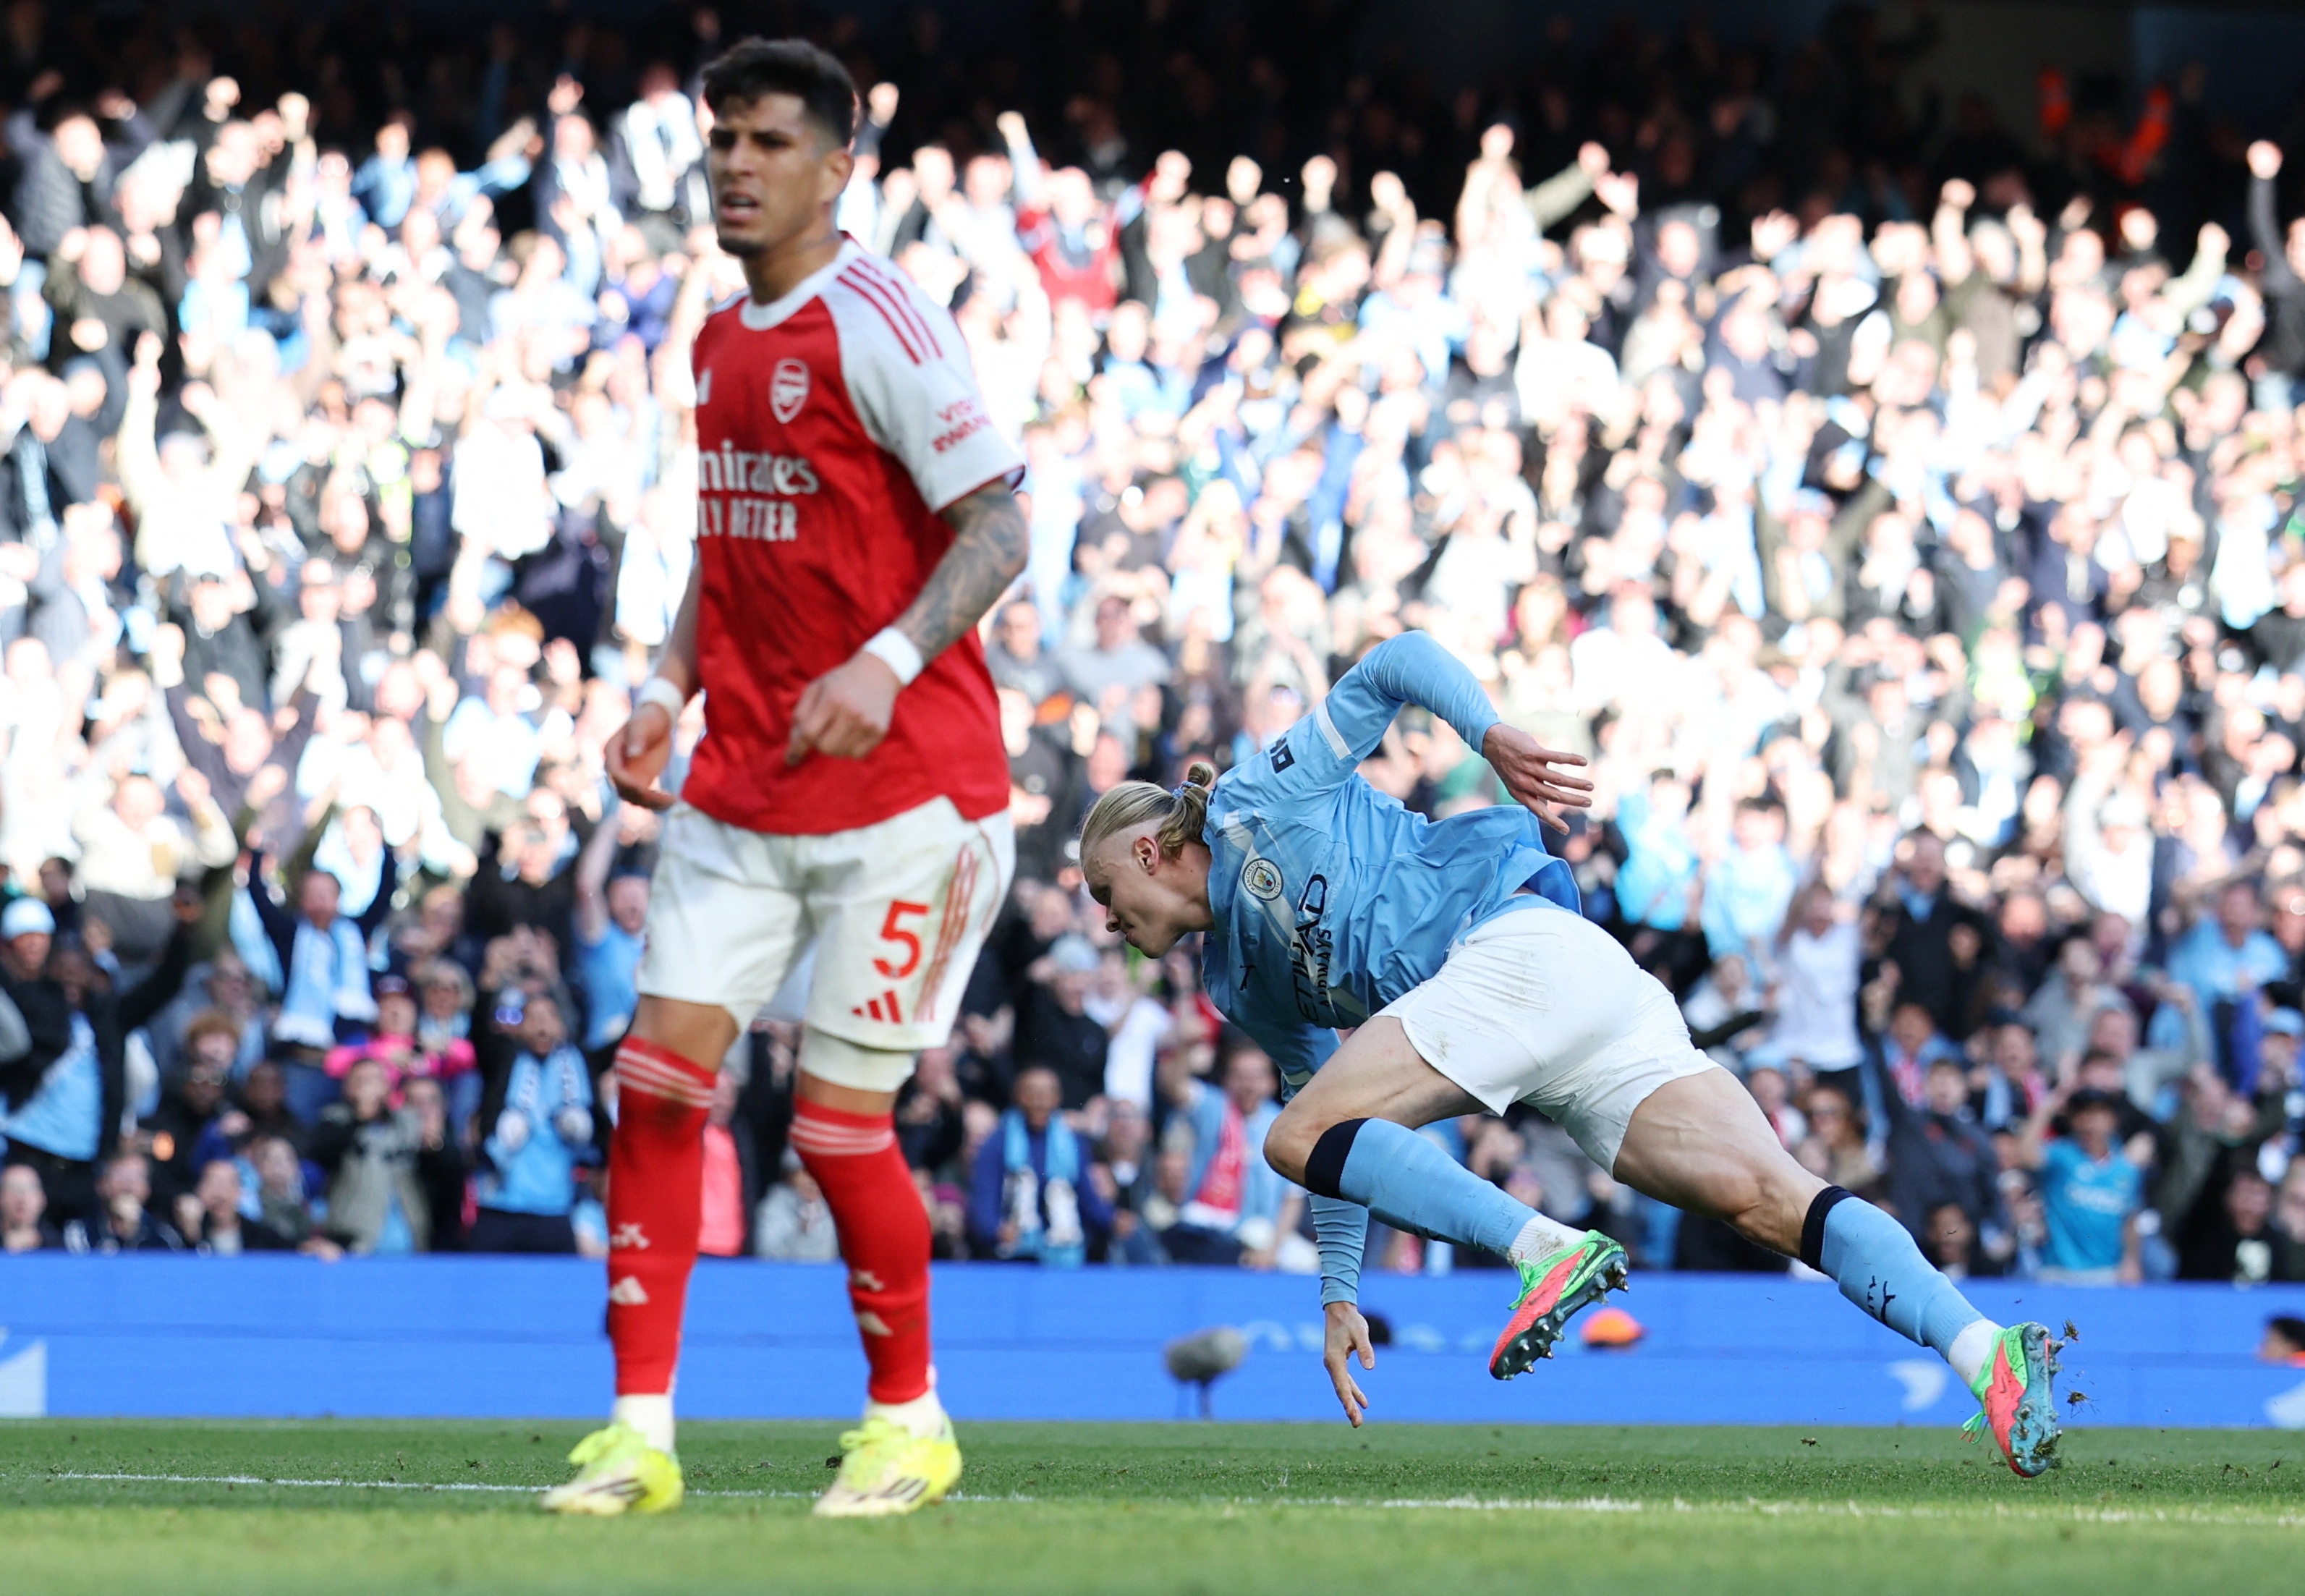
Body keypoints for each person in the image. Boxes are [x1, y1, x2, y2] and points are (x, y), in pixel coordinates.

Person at [1078, 629, 2066, 1477]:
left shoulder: (1263, 792)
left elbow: (1393, 663)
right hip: (1568, 995)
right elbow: (1330, 1129)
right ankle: (1986, 1349)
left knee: (1296, 1134)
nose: (1103, 915)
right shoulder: (1237, 983)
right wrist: (1340, 1293)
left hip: (1518, 947)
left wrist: (1487, 732)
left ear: (1148, 850)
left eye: (1099, 887)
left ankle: (1543, 1249)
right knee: (1771, 1196)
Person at [548, 38, 1028, 1521]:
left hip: (912, 796)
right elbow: (732, 546)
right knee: (653, 1087)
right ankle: (637, 1432)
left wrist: (886, 659)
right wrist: (662, 685)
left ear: (839, 167)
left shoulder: (881, 318)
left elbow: (1001, 525)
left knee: (834, 1126)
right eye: (722, 143)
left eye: (769, 142)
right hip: (745, 788)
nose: (738, 166)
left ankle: (910, 1422)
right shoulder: (715, 339)